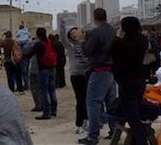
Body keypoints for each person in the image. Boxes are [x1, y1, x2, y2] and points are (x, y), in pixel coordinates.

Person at [108, 17, 149, 145]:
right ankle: (134, 142)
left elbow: (110, 52)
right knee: (135, 112)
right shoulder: (143, 41)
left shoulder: (119, 43)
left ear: (124, 28)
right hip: (139, 80)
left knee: (133, 118)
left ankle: (141, 141)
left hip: (126, 82)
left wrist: (117, 36)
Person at [79, 8, 117, 145]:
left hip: (99, 70)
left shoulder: (96, 32)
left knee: (93, 103)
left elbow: (87, 51)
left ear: (94, 18)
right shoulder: (112, 31)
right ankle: (114, 131)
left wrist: (83, 40)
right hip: (111, 71)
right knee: (111, 103)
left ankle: (92, 136)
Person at [60, 25, 90, 134]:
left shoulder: (87, 44)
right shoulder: (70, 46)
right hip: (76, 76)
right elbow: (63, 38)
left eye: (75, 32)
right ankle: (79, 124)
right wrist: (62, 24)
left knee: (88, 99)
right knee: (80, 100)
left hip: (87, 74)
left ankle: (87, 121)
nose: (73, 34)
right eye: (71, 34)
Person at [27, 28, 58, 120]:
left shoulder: (38, 45)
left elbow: (29, 54)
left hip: (42, 70)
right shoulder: (51, 43)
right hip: (52, 69)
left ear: (37, 35)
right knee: (52, 90)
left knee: (44, 91)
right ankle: (54, 110)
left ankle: (46, 112)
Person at [23, 38, 42, 112]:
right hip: (45, 68)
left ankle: (38, 104)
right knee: (43, 88)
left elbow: (25, 50)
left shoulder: (33, 44)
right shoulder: (47, 43)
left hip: (34, 68)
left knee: (34, 87)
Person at [16, 25, 31, 90]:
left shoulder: (19, 33)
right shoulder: (27, 32)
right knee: (27, 72)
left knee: (23, 72)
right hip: (27, 56)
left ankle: (26, 85)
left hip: (22, 57)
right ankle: (28, 84)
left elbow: (17, 36)